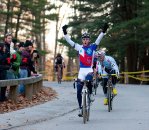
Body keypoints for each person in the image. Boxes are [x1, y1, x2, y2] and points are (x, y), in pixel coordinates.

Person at [62, 23, 109, 116]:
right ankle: (80, 108)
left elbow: (98, 40)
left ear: (89, 40)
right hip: (81, 71)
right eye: (84, 39)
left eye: (87, 39)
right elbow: (70, 41)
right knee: (79, 90)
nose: (85, 40)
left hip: (89, 70)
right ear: (82, 40)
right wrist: (65, 32)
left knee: (88, 80)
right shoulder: (79, 47)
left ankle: (90, 94)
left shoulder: (92, 47)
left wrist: (103, 31)